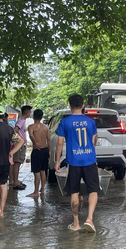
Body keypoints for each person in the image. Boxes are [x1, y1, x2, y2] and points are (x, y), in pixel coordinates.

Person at [55, 94, 98, 232]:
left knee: (74, 191)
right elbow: (94, 140)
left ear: (70, 106)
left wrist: (57, 161)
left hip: (74, 161)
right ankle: (90, 219)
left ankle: (76, 223)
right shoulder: (90, 122)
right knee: (93, 190)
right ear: (83, 106)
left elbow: (60, 143)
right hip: (89, 160)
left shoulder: (65, 122)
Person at [27, 109, 51, 198]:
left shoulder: (31, 127)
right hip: (44, 149)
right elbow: (49, 139)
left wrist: (35, 143)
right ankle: (43, 189)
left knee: (36, 171)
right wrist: (49, 151)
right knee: (43, 171)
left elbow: (30, 135)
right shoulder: (46, 127)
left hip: (37, 150)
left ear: (33, 117)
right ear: (41, 117)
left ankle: (36, 191)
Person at [10, 105, 32, 190]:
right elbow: (16, 128)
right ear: (27, 112)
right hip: (20, 145)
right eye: (29, 112)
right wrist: (19, 139)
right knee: (17, 163)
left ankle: (15, 180)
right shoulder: (21, 120)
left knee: (17, 163)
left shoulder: (22, 120)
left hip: (20, 144)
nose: (30, 113)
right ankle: (15, 181)